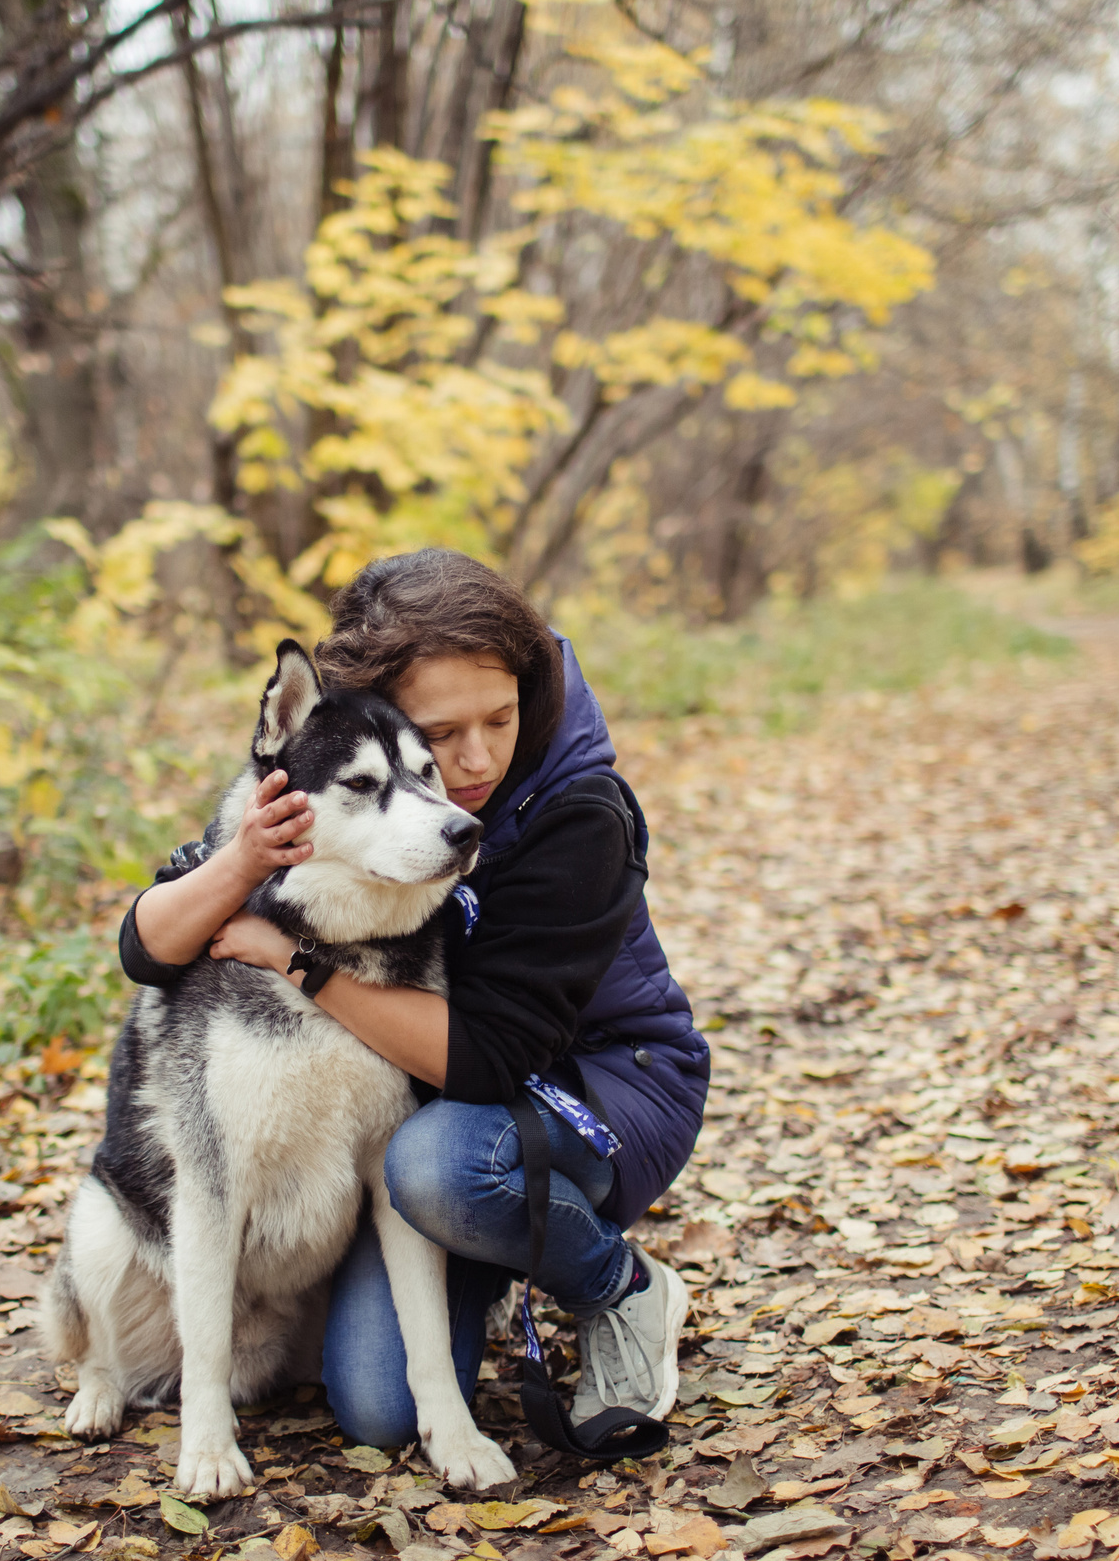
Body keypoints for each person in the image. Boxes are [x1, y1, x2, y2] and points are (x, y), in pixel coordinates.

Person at [115, 549, 711, 1449]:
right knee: (377, 1406)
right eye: (440, 735)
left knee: (440, 1168)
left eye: (500, 719)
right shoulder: (342, 765)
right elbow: (146, 947)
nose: (473, 761)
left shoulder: (580, 812)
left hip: (597, 1083)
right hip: (438, 1101)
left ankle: (618, 1288)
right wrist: (240, 862)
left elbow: (489, 1057)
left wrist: (296, 961)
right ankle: (496, 1253)